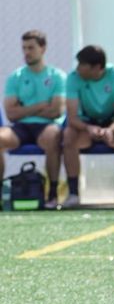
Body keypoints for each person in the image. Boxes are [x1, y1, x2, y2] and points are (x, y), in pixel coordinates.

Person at [62, 44, 114, 208]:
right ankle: (73, 194)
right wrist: (88, 128)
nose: (78, 68)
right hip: (85, 124)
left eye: (82, 64)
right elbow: (72, 118)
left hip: (112, 123)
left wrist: (111, 130)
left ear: (96, 67)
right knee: (68, 136)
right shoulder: (73, 78)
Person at [2, 30, 66, 204]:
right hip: (21, 127)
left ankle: (52, 193)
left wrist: (23, 109)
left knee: (53, 137)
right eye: (24, 48)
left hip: (47, 125)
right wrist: (40, 106)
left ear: (43, 48)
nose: (26, 52)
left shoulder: (57, 76)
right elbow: (11, 114)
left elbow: (56, 111)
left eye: (31, 48)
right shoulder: (15, 77)